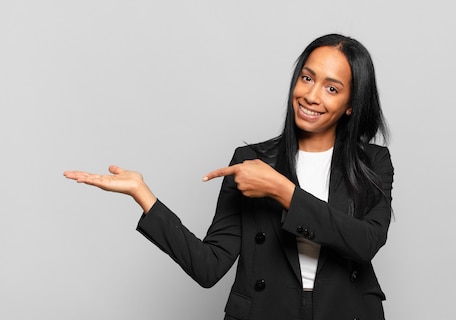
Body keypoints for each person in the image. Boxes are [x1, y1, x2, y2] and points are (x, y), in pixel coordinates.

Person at [64, 33, 394, 320]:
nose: (311, 95)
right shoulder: (250, 161)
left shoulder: (373, 163)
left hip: (344, 312)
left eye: (331, 88)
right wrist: (143, 195)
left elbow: (366, 243)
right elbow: (209, 266)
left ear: (351, 104)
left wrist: (283, 191)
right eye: (307, 78)